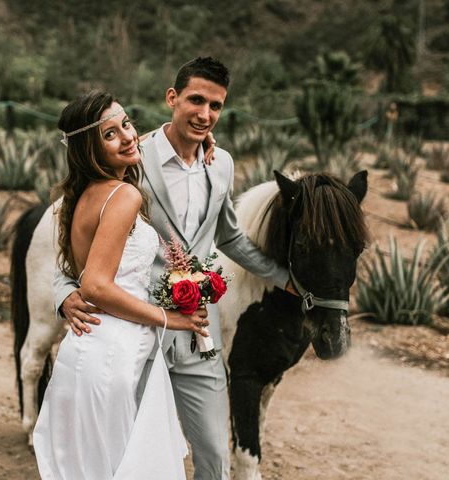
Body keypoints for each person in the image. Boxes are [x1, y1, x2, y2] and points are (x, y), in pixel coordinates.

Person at [56, 57, 294, 480]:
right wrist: (63, 293)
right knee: (139, 455)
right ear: (172, 98)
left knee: (215, 455)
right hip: (138, 332)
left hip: (201, 332)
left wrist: (285, 279)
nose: (204, 115)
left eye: (215, 107)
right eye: (196, 101)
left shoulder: (222, 164)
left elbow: (230, 238)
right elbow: (77, 224)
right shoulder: (129, 155)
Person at [33, 91, 212, 479]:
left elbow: (84, 274)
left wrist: (200, 138)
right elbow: (96, 286)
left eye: (126, 124)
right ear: (89, 150)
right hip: (115, 357)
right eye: (109, 135)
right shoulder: (124, 194)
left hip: (83, 353)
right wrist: (170, 318)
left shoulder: (81, 195)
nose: (128, 137)